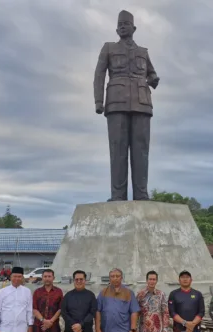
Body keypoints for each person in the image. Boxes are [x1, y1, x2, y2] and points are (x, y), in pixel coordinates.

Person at [93, 10, 160, 201]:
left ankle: (141, 194)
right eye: (119, 25)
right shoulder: (109, 48)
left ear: (134, 28)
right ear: (116, 30)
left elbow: (151, 73)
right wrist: (98, 101)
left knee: (141, 150)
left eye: (126, 24)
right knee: (118, 150)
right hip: (116, 102)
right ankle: (118, 195)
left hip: (142, 103)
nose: (122, 27)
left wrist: (153, 79)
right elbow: (99, 75)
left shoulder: (143, 52)